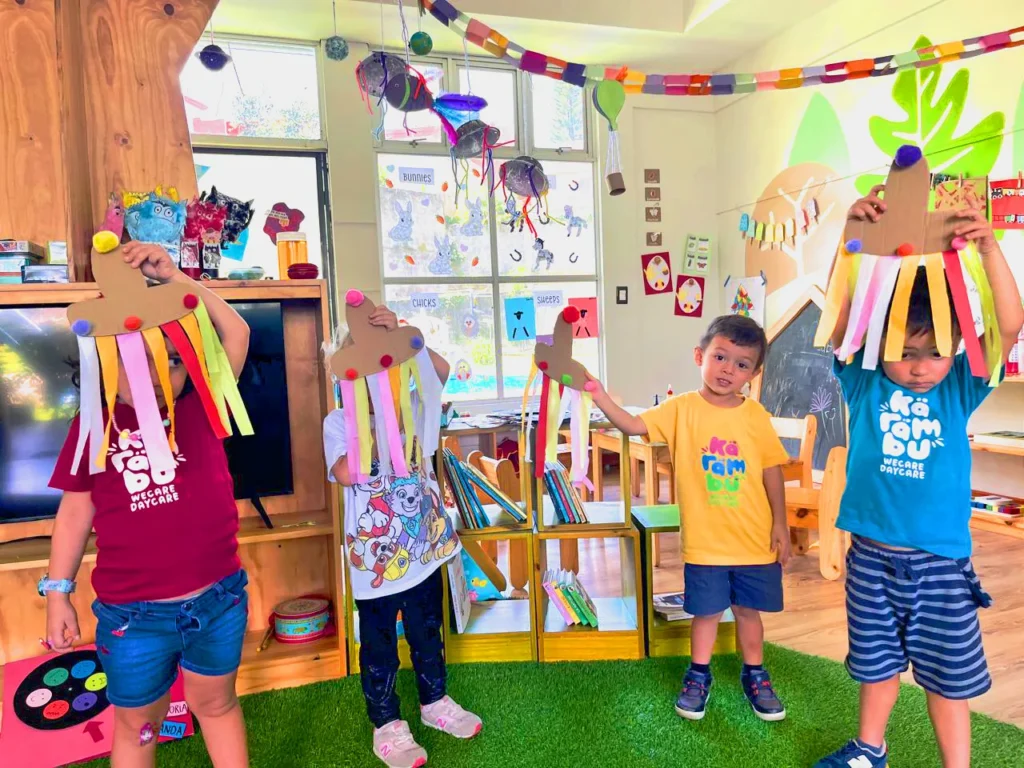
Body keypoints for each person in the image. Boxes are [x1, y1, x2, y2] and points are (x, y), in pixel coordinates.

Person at [814, 188, 1024, 768]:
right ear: (875, 347)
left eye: (935, 353)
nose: (919, 365)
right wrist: (852, 238)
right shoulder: (863, 382)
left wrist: (987, 249)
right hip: (871, 560)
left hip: (940, 566)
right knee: (875, 667)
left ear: (956, 351)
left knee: (947, 681)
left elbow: (1009, 324)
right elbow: (839, 316)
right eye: (904, 352)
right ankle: (869, 749)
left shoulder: (959, 386)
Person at [45, 242, 252, 768]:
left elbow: (238, 333)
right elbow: (74, 512)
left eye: (176, 362)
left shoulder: (203, 406)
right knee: (138, 726)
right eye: (139, 361)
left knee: (218, 704)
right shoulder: (92, 427)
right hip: (132, 618)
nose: (165, 377)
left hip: (218, 602)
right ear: (106, 363)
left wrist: (177, 279)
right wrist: (57, 592)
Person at [588, 314, 792, 722]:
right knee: (706, 612)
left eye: (741, 364)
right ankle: (699, 675)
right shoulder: (680, 408)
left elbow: (772, 470)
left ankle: (756, 674)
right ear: (700, 356)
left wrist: (781, 524)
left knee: (749, 612)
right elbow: (631, 424)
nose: (727, 370)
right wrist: (599, 395)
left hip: (754, 541)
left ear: (753, 373)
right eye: (720, 357)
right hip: (705, 543)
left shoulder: (756, 416)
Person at [323, 303, 481, 768]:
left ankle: (435, 704)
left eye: (384, 366)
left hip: (423, 553)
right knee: (378, 648)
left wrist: (407, 337)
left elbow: (442, 371)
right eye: (364, 369)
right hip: (375, 567)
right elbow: (347, 471)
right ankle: (387, 724)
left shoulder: (414, 407)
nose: (376, 378)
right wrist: (365, 425)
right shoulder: (338, 423)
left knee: (427, 633)